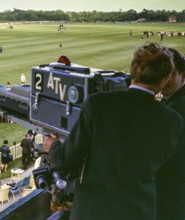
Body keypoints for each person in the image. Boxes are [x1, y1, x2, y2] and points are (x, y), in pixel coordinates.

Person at [43, 42, 185, 220]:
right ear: (163, 79)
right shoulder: (173, 121)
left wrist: (53, 146)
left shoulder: (98, 104)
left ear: (133, 70)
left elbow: (66, 160)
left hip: (92, 212)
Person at [157, 48, 185, 220]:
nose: (164, 80)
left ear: (183, 75)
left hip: (172, 193)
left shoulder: (177, 108)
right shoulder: (172, 100)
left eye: (170, 74)